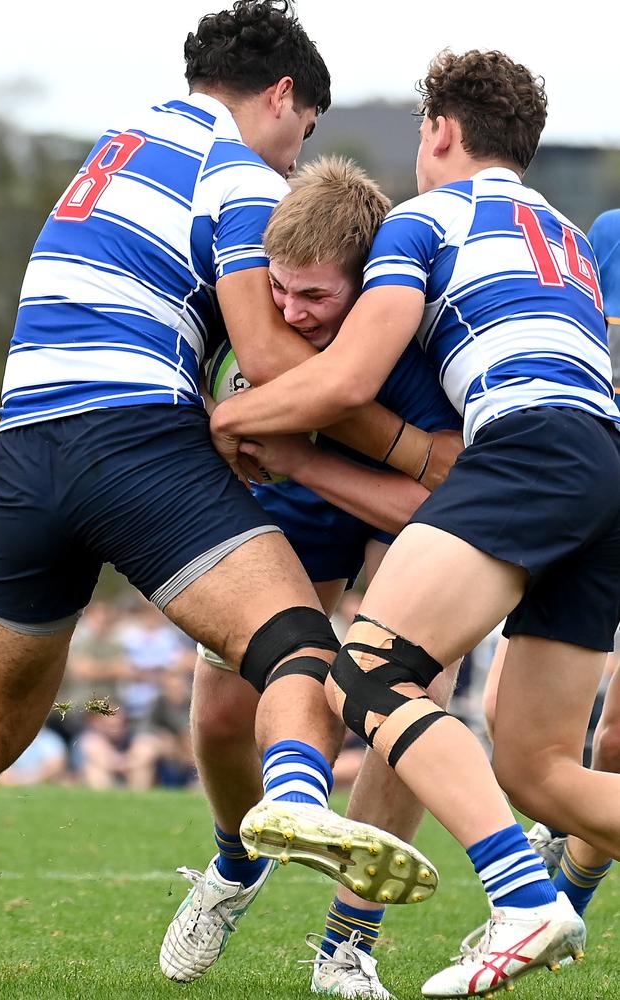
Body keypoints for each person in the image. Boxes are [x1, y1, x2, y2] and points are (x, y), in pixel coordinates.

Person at [0, 0, 445, 956]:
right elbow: (270, 359)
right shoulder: (232, 166)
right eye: (300, 135)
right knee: (300, 647)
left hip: (23, 447)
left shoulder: (113, 145)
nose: (289, 166)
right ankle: (294, 809)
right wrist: (409, 447)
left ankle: (247, 848)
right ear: (281, 96)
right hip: (128, 437)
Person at [210, 48, 620, 996]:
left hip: (529, 444)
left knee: (368, 674)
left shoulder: (427, 218)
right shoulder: (558, 228)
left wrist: (231, 416)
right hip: (603, 464)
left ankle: (523, 900)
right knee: (541, 769)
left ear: (439, 131)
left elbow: (351, 375)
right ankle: (526, 890)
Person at [161, 156, 462, 997]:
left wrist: (301, 455)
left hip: (375, 505)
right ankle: (234, 865)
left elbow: (434, 502)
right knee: (224, 709)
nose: (289, 314)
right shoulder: (252, 320)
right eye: (281, 291)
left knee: (416, 694)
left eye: (316, 298)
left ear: (367, 287)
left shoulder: (416, 347)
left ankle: (347, 944)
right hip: (293, 500)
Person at [482, 208, 620, 922]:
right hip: (594, 496)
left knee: (618, 736)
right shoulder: (603, 237)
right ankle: (564, 838)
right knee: (504, 714)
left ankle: (566, 900)